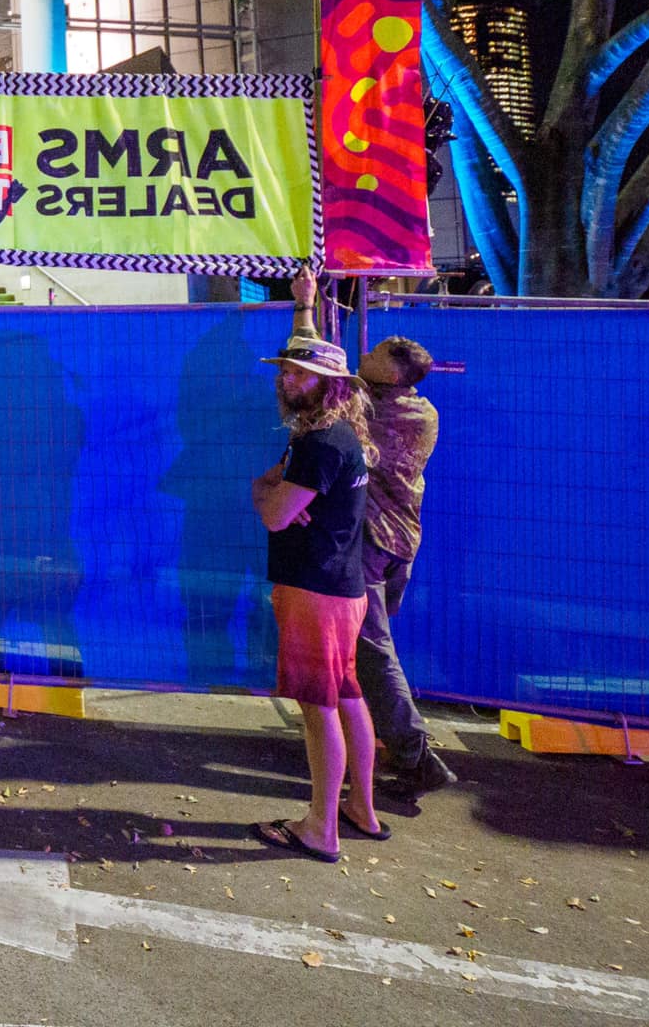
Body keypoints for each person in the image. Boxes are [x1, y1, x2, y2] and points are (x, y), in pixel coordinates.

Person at [290, 271, 453, 796]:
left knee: (370, 650)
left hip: (371, 543)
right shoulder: (421, 410)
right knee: (367, 650)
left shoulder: (372, 409)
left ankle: (414, 754)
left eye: (379, 349)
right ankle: (373, 740)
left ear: (394, 371)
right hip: (402, 540)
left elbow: (315, 368)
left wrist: (307, 306)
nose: (368, 349)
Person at [249, 333, 385, 861]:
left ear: (330, 386)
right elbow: (278, 494)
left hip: (314, 590)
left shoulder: (318, 445)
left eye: (299, 374)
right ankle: (361, 811)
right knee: (347, 696)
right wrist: (274, 491)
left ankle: (320, 830)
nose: (287, 381)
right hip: (342, 589)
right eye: (285, 371)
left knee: (318, 707)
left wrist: (265, 493)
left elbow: (273, 509)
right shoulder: (341, 438)